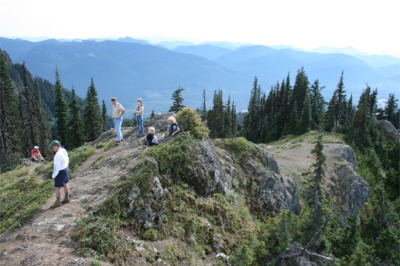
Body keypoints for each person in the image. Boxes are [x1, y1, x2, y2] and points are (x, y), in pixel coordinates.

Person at [49, 140, 70, 208]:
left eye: (53, 147)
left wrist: (54, 175)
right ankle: (66, 198)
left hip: (60, 171)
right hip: (66, 168)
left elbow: (56, 167)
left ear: (56, 146)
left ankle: (58, 202)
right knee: (65, 183)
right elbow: (67, 158)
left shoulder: (57, 155)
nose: (52, 149)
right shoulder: (64, 150)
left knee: (57, 187)